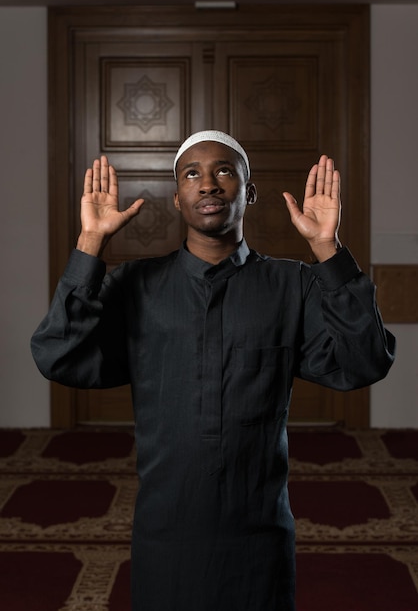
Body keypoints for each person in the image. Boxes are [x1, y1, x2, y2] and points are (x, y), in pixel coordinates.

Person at [31, 130, 395, 611]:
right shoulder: (137, 284)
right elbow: (58, 355)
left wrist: (328, 250)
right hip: (167, 529)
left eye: (224, 171)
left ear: (250, 192)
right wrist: (90, 243)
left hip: (259, 528)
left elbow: (364, 361)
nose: (208, 185)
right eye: (191, 174)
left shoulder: (294, 284)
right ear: (178, 198)